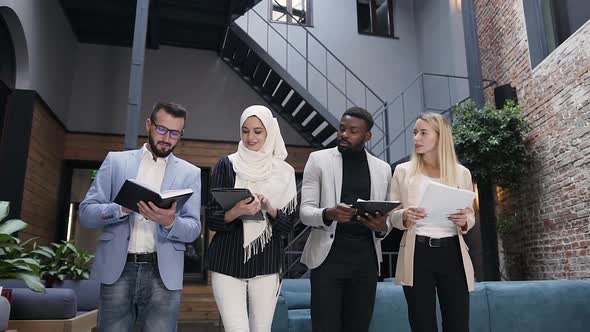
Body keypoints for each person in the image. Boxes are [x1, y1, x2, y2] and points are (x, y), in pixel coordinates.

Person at [79, 102, 201, 332]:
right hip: (119, 269)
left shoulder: (190, 173)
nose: (167, 138)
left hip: (163, 274)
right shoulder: (116, 161)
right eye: (162, 129)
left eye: (175, 133)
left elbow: (194, 228)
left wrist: (169, 221)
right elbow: (86, 213)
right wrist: (122, 209)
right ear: (149, 125)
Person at [299, 107, 393, 332]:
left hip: (366, 261)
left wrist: (381, 228)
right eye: (342, 128)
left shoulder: (383, 169)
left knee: (358, 326)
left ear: (366, 136)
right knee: (325, 327)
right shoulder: (318, 160)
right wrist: (328, 213)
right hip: (328, 259)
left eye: (353, 131)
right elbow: (305, 212)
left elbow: (386, 221)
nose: (344, 134)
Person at [206, 105, 296, 332]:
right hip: (227, 261)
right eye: (245, 131)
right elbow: (212, 219)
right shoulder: (226, 165)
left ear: (269, 133)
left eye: (258, 131)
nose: (250, 137)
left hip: (267, 263)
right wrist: (236, 211)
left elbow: (286, 227)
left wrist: (270, 208)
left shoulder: (284, 172)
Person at [390, 112, 476, 332]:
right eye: (415, 132)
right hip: (417, 253)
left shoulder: (462, 173)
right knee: (422, 324)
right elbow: (392, 214)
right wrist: (404, 216)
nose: (416, 138)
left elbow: (470, 216)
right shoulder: (403, 171)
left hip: (453, 253)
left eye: (423, 133)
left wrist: (464, 220)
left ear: (440, 137)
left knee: (458, 324)